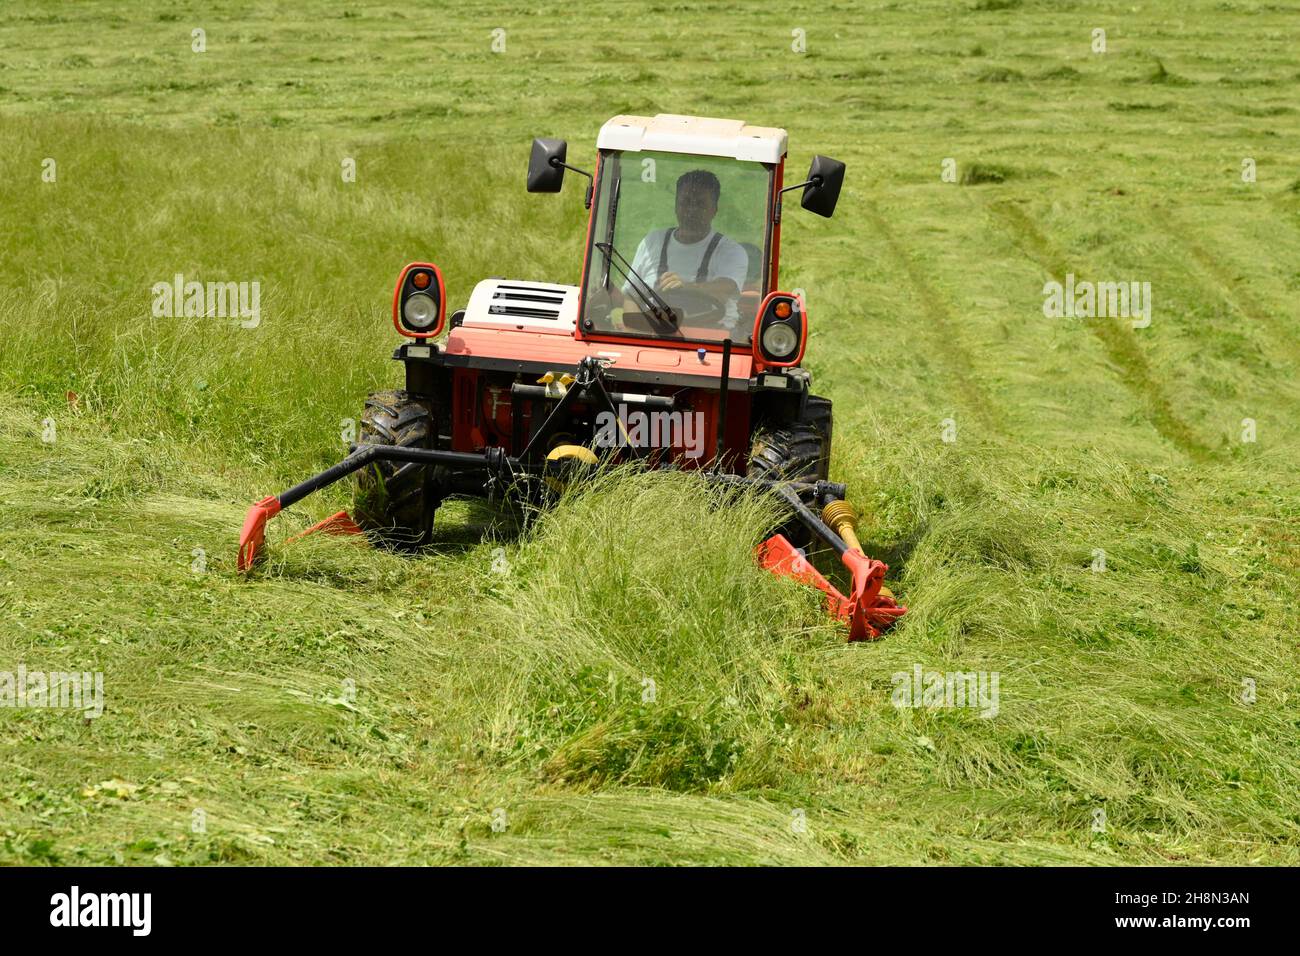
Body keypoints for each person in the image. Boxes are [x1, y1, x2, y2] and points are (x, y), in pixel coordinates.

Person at [622, 170, 748, 329]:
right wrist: (635, 332)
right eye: (686, 202)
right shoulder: (652, 242)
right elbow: (631, 296)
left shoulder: (731, 251)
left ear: (714, 210)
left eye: (700, 203)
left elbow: (725, 288)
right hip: (653, 337)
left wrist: (688, 286)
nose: (692, 209)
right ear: (676, 205)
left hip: (712, 339)